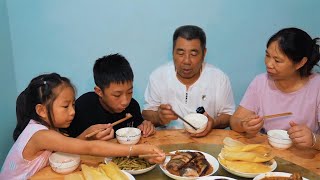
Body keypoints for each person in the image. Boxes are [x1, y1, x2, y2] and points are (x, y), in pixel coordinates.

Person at [0, 73, 165, 179]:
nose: (72, 112)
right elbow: (90, 149)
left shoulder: (48, 129)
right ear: (41, 110)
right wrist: (135, 150)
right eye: (66, 106)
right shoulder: (40, 135)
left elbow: (62, 151)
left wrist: (86, 134)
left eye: (73, 105)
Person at [230, 27, 320, 150]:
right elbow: (235, 121)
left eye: (277, 60)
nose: (269, 64)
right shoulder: (260, 82)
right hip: (268, 153)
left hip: (305, 158)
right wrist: (244, 124)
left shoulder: (317, 86)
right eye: (267, 55)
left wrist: (313, 139)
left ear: (300, 63)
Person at [142, 25, 235, 137]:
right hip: (168, 140)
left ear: (204, 53)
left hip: (206, 140)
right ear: (173, 52)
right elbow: (146, 113)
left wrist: (213, 123)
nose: (186, 61)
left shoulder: (219, 78)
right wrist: (159, 117)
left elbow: (228, 115)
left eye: (193, 54)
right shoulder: (158, 76)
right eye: (180, 53)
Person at [65, 54, 156, 140]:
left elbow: (140, 128)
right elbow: (65, 146)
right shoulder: (82, 108)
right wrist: (86, 138)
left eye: (129, 92)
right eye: (117, 95)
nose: (125, 101)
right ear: (99, 91)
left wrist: (145, 127)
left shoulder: (133, 106)